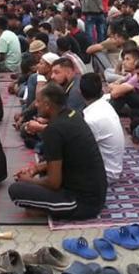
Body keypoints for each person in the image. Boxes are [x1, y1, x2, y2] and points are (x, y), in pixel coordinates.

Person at [9, 83, 107, 219]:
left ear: (47, 105)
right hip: (97, 193)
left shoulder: (53, 131)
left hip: (83, 203)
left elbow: (54, 183)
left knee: (16, 190)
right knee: (45, 169)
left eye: (38, 101)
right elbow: (69, 156)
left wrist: (28, 180)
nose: (36, 105)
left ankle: (51, 210)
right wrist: (36, 168)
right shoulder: (73, 114)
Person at [79, 73, 124, 183]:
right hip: (113, 167)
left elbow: (77, 149)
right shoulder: (106, 106)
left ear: (80, 92)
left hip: (105, 174)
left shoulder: (91, 120)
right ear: (101, 90)